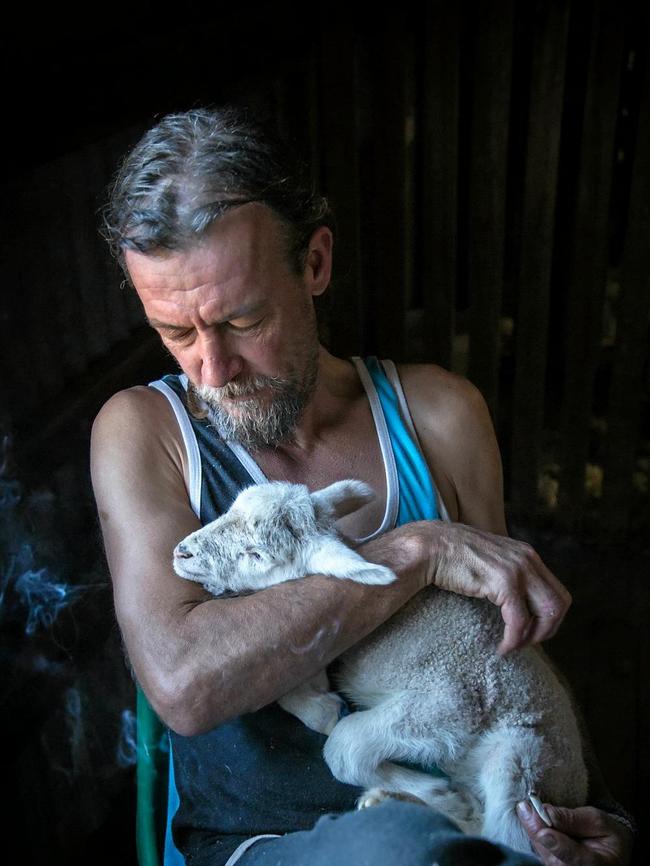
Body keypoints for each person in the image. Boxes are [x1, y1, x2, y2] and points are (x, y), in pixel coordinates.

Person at [91, 106, 635, 866]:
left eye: (243, 321)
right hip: (263, 846)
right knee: (397, 847)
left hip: (468, 829)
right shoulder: (146, 433)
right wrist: (414, 552)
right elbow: (184, 686)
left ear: (315, 264)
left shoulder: (440, 416)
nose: (211, 372)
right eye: (176, 333)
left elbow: (505, 652)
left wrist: (591, 816)